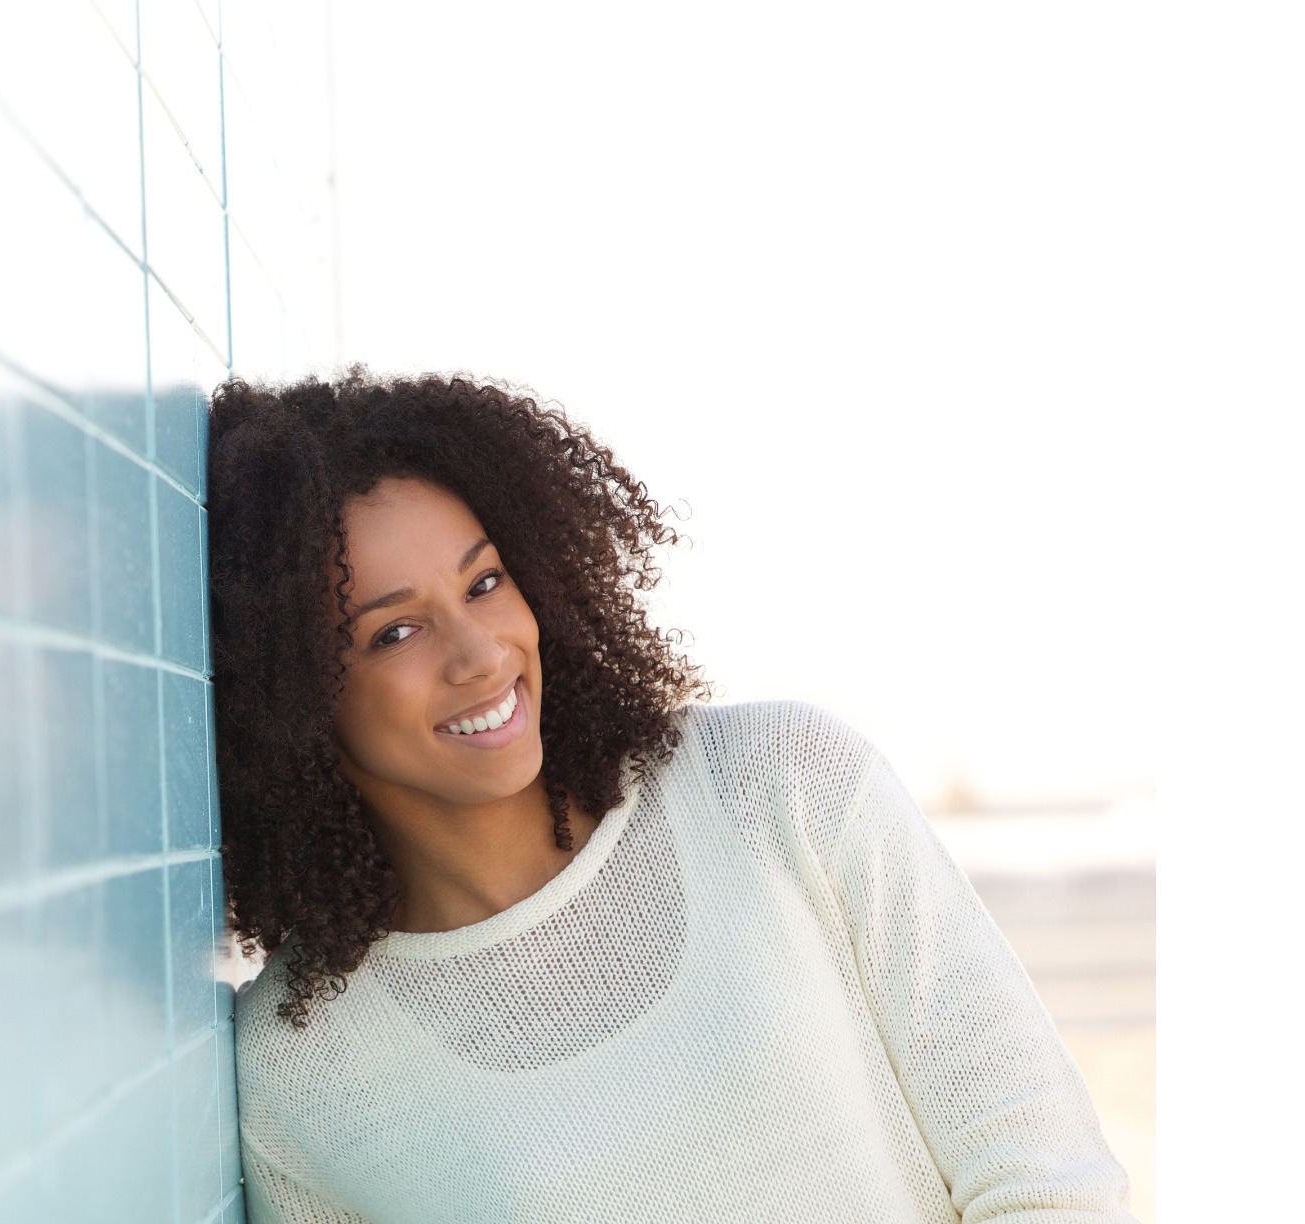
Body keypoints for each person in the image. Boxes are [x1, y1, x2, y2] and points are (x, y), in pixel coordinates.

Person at [205, 370, 1134, 1223]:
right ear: (287, 699)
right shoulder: (301, 1073)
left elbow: (1046, 1175)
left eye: (486, 582)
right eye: (395, 631)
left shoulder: (779, 786)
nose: (481, 653)